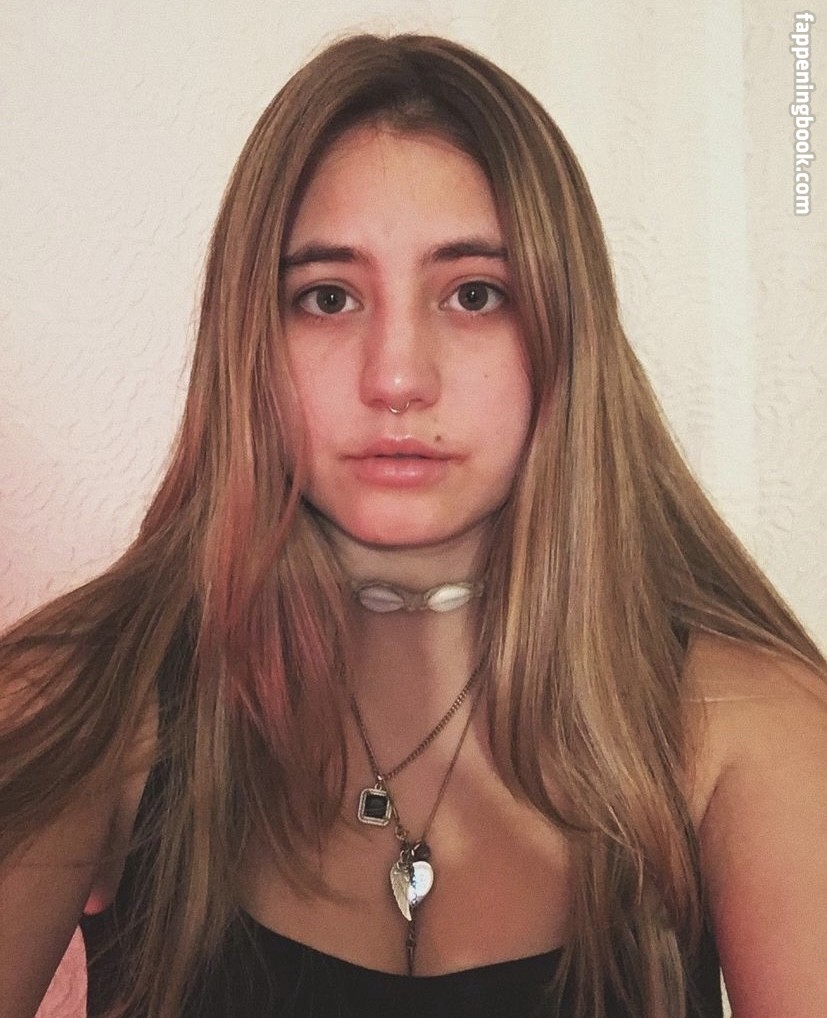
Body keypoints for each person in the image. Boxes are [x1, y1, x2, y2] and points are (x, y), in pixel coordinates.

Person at [1, 31, 825, 1018]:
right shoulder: (75, 698)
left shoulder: (747, 725)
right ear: (247, 336)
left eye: (474, 294)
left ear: (566, 331)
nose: (395, 377)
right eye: (327, 297)